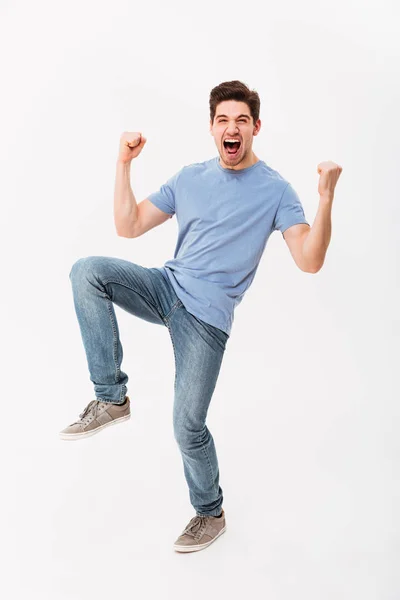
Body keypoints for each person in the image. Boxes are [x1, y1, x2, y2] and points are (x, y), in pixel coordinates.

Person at [59, 80, 342, 553]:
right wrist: (123, 163)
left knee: (187, 425)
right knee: (87, 272)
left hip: (206, 321)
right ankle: (112, 398)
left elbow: (309, 260)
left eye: (242, 121)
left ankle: (210, 513)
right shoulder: (189, 178)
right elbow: (128, 226)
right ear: (212, 128)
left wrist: (326, 198)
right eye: (223, 120)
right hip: (164, 287)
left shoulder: (276, 191)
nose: (232, 129)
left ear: (255, 128)